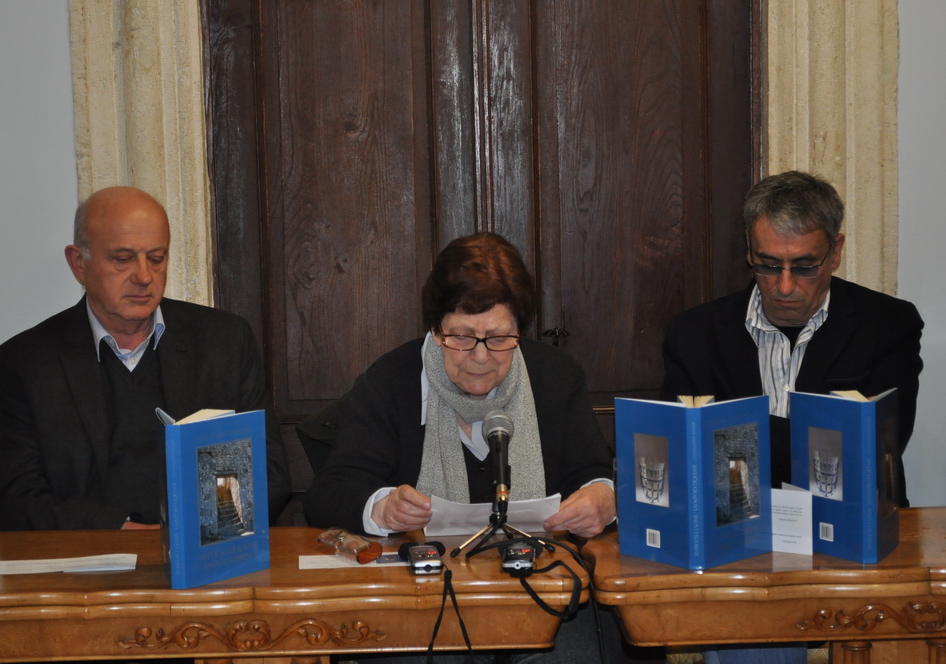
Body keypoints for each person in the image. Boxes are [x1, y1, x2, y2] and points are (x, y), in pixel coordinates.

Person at [303, 232, 622, 662]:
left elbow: (592, 473)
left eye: (499, 338)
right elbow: (329, 493)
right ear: (436, 330)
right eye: (462, 337)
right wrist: (382, 508)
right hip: (421, 599)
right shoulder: (391, 382)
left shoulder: (555, 378)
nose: (480, 356)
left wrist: (603, 497)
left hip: (539, 592)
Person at [661, 170, 924, 664]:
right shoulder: (695, 333)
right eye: (768, 265)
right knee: (753, 621)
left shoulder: (887, 325)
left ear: (836, 251)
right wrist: (811, 439)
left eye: (804, 266)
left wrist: (738, 439)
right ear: (749, 249)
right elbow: (688, 459)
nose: (784, 286)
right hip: (739, 537)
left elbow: (872, 453)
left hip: (850, 532)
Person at [0, 186, 291, 531]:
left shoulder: (224, 341)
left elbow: (268, 473)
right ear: (79, 263)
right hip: (91, 554)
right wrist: (119, 532)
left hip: (203, 548)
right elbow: (17, 501)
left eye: (156, 258)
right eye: (123, 259)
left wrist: (191, 533)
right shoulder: (28, 361)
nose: (144, 276)